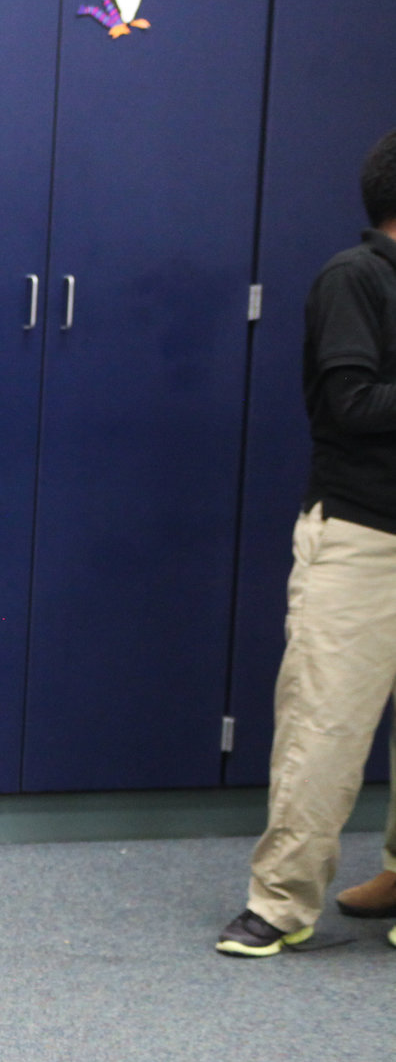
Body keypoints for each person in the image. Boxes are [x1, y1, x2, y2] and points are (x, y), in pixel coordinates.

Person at [222, 129, 396, 958]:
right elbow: (351, 406)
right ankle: (282, 902)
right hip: (364, 539)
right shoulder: (354, 278)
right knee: (324, 724)